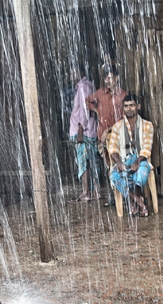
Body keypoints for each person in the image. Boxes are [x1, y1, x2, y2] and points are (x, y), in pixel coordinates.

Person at [86, 66, 127, 207]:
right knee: (108, 165)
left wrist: (109, 130)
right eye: (106, 78)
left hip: (116, 136)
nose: (108, 81)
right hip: (102, 137)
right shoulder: (100, 93)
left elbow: (124, 118)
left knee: (117, 164)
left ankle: (120, 197)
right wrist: (97, 111)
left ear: (117, 78)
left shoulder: (122, 95)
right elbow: (87, 101)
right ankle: (115, 196)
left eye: (111, 78)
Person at [107, 94, 154, 217]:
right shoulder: (117, 127)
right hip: (124, 160)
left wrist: (138, 161)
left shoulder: (148, 125)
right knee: (113, 174)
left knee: (142, 172)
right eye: (126, 106)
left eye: (132, 105)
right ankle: (138, 201)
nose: (129, 109)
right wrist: (119, 162)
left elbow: (147, 148)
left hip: (141, 160)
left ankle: (134, 201)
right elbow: (112, 148)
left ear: (138, 106)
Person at [68, 63, 99, 202]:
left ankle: (86, 192)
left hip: (84, 132)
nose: (72, 76)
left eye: (74, 73)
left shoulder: (83, 87)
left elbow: (86, 109)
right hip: (89, 130)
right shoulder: (87, 85)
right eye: (70, 73)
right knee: (91, 161)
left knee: (84, 162)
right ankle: (95, 191)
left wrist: (80, 129)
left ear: (81, 71)